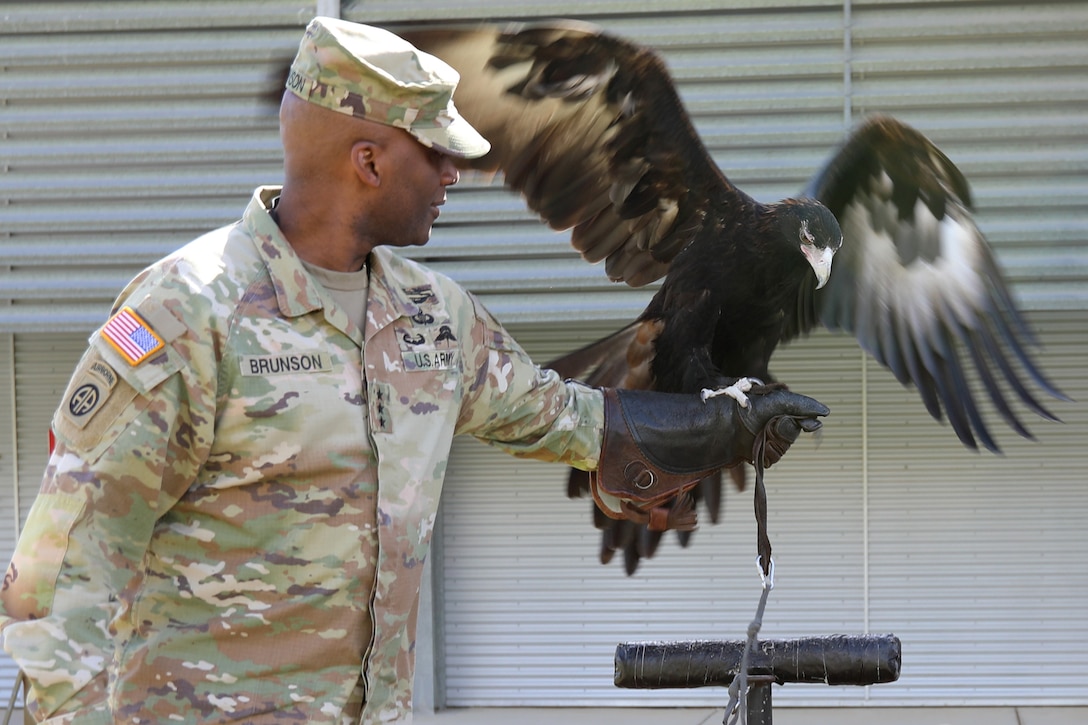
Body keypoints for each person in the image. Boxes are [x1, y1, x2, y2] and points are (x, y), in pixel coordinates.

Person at [0, 17, 828, 725]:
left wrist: (717, 431)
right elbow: (62, 570)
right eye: (436, 156)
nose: (456, 176)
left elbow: (568, 421)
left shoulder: (434, 317)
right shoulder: (186, 314)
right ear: (367, 162)